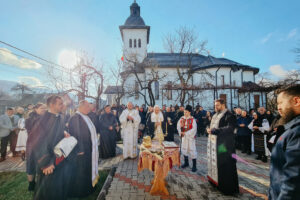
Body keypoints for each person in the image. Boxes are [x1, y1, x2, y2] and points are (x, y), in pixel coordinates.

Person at [32, 95, 73, 200]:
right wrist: (46, 163)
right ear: (51, 105)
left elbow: (59, 130)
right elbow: (37, 143)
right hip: (48, 161)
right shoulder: (42, 120)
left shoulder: (60, 117)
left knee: (59, 186)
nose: (62, 106)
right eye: (60, 104)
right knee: (48, 190)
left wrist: (64, 132)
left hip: (58, 157)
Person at [269, 85, 300, 199]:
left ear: (296, 101)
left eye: (281, 103)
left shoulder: (297, 132)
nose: (279, 108)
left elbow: (293, 181)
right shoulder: (291, 129)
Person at [207, 99, 239, 195]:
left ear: (223, 105)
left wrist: (215, 130)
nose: (215, 107)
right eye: (215, 105)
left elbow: (230, 128)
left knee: (226, 166)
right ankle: (216, 183)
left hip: (226, 145)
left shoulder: (230, 115)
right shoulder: (215, 115)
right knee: (218, 164)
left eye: (217, 105)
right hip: (216, 144)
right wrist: (209, 129)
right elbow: (212, 126)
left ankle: (227, 188)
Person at [68, 100, 99, 198]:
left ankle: (90, 187)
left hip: (88, 148)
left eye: (89, 107)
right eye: (87, 107)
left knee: (87, 169)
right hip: (81, 151)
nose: (89, 109)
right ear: (80, 107)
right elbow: (76, 134)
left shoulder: (85, 116)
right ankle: (82, 191)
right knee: (81, 171)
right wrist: (79, 149)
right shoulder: (75, 118)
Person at [25, 103, 47, 191]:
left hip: (42, 144)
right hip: (33, 144)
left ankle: (40, 182)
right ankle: (31, 184)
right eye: (42, 108)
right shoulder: (29, 119)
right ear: (36, 109)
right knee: (31, 163)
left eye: (45, 108)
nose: (44, 110)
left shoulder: (45, 118)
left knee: (42, 162)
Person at [177, 105, 197, 172]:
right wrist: (180, 132)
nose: (185, 113)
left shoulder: (192, 120)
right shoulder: (182, 118)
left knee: (192, 150)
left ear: (189, 112)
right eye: (184, 112)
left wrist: (186, 133)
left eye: (186, 112)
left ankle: (194, 166)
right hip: (184, 138)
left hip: (190, 138)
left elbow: (194, 129)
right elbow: (178, 126)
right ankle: (186, 163)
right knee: (184, 149)